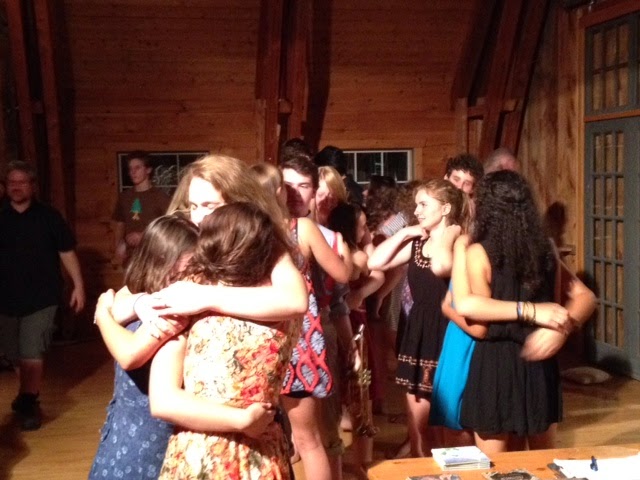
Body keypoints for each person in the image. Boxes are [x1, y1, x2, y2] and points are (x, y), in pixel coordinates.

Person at [149, 203, 299, 479]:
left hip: (205, 452)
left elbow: (163, 399)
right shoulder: (280, 301)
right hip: (250, 449)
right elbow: (162, 401)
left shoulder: (191, 297)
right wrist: (240, 420)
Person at [452, 170, 596, 454]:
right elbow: (585, 297)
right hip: (537, 362)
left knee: (494, 467)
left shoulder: (478, 251)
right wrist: (542, 317)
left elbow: (469, 307)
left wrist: (559, 328)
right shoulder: (545, 249)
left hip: (497, 363)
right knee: (540, 463)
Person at [89, 215, 200, 479]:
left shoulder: (170, 302)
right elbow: (128, 354)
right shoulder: (153, 299)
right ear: (164, 260)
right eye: (192, 262)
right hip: (136, 439)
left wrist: (103, 314)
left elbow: (127, 349)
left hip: (146, 435)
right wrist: (108, 310)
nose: (198, 271)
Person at [367, 179, 468, 457]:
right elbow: (375, 262)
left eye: (424, 204)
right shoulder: (417, 243)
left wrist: (449, 234)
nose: (417, 211)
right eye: (416, 205)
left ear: (445, 208)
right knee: (417, 423)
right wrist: (404, 232)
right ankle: (422, 469)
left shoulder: (459, 242)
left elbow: (442, 267)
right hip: (417, 331)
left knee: (448, 423)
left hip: (447, 330)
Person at [280, 156, 353, 480]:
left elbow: (342, 287)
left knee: (321, 432)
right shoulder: (269, 225)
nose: (295, 192)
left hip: (312, 333)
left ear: (314, 190)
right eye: (288, 185)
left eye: (303, 185)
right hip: (279, 333)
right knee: (298, 436)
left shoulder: (313, 230)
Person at [0, 161, 85, 430]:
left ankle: (29, 402)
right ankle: (26, 396)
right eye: (11, 182)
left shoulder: (49, 217)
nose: (16, 187)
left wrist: (78, 285)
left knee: (31, 350)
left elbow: (66, 251)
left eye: (21, 182)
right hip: (5, 299)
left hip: (42, 298)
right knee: (13, 353)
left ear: (32, 186)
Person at [112, 151, 170, 265]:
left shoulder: (160, 197)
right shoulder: (125, 196)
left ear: (148, 170)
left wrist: (144, 235)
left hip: (154, 256)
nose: (133, 172)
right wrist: (118, 244)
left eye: (137, 168)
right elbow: (119, 223)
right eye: (130, 169)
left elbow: (168, 225)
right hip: (131, 257)